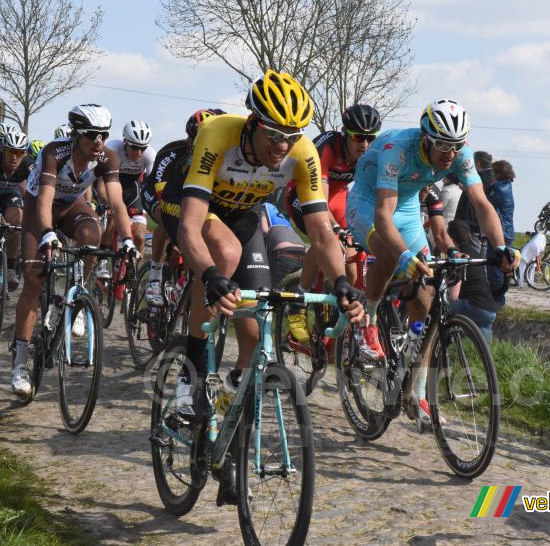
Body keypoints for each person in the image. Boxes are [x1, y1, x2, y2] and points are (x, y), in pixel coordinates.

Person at [159, 69, 364, 423]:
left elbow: (320, 231)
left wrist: (341, 282)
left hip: (244, 213)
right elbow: (191, 225)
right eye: (273, 134)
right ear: (252, 123)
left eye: (291, 136)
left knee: (257, 320)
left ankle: (234, 407)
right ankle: (187, 382)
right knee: (224, 253)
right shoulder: (217, 134)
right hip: (198, 205)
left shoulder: (302, 154)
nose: (281, 146)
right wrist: (208, 275)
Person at [346, 99, 519, 423]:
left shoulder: (460, 154)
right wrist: (404, 255)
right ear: (425, 137)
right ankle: (367, 322)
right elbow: (383, 218)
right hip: (370, 203)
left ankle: (416, 389)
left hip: (408, 205)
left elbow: (481, 204)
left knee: (426, 301)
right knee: (386, 250)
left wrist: (501, 248)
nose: (449, 154)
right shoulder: (398, 149)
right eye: (442, 145)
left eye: (455, 146)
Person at [10, 104, 137, 398]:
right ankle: (19, 364)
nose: (98, 142)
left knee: (91, 234)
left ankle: (76, 294)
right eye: (91, 135)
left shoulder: (107, 157)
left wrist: (128, 239)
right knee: (34, 277)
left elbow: (117, 203)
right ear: (76, 135)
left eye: (103, 135)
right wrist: (47, 233)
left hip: (71, 206)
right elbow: (44, 202)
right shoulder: (56, 153)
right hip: (38, 207)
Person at [284, 103, 381, 342]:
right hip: (304, 194)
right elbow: (318, 199)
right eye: (359, 138)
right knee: (325, 239)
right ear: (345, 133)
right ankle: (298, 302)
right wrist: (335, 229)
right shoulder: (326, 147)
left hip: (338, 198)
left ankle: (345, 319)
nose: (365, 144)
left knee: (353, 254)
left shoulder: (370, 155)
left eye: (370, 138)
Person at [141, 108, 226, 306]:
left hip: (189, 199)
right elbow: (164, 196)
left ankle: (182, 284)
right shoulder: (171, 153)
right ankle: (154, 277)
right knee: (166, 216)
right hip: (157, 193)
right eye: (195, 139)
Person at [95, 120, 155, 276]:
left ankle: (132, 273)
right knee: (114, 219)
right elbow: (101, 186)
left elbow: (153, 184)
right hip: (110, 183)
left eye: (143, 148)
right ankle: (102, 259)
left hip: (132, 188)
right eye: (135, 147)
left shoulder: (149, 154)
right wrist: (109, 205)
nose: (139, 153)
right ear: (125, 142)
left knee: (141, 236)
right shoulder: (113, 150)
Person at [447, 219, 499, 339]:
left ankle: (448, 346)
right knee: (485, 347)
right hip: (490, 309)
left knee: (444, 310)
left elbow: (453, 297)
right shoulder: (475, 253)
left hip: (475, 306)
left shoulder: (460, 257)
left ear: (451, 239)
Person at [0, 130, 34, 291]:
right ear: (3, 149)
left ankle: (10, 268)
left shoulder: (28, 164)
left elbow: (39, 189)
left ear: (25, 154)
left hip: (10, 195)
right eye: (11, 152)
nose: (14, 157)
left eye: (19, 153)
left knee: (15, 224)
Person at [486, 159, 515, 306]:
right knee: (500, 268)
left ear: (497, 174)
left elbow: (484, 202)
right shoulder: (506, 186)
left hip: (500, 234)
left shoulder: (496, 189)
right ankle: (498, 301)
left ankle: (497, 303)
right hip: (507, 232)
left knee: (496, 269)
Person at [261, 201, 306, 288]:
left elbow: (264, 230)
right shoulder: (276, 213)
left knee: (264, 287)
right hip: (301, 256)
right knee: (275, 284)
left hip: (284, 254)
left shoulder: (263, 207)